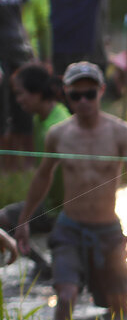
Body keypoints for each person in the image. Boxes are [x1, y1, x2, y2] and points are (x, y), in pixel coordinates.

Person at [14, 62, 127, 320]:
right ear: (66, 93)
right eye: (76, 95)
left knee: (119, 306)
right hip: (70, 229)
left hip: (108, 229)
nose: (83, 101)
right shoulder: (58, 134)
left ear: (101, 91)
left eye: (90, 94)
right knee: (66, 296)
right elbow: (43, 176)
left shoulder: (121, 132)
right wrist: (24, 220)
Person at [1, 63, 71, 279]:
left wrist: (25, 218)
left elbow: (47, 175)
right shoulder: (39, 119)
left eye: (20, 93)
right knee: (4, 219)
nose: (18, 100)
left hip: (67, 208)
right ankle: (42, 265)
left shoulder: (57, 125)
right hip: (49, 202)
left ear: (37, 92)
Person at [0, 0, 33, 165]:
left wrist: (32, 55)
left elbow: (20, 22)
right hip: (1, 59)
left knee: (24, 111)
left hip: (20, 56)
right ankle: (5, 169)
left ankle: (25, 167)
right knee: (3, 115)